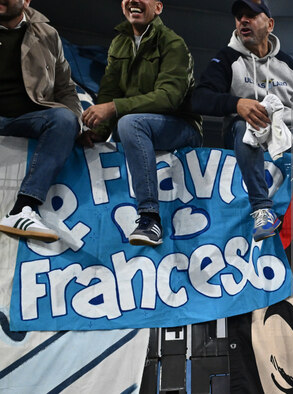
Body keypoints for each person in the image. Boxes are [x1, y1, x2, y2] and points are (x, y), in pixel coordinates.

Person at [191, 0, 293, 242]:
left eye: (251, 15)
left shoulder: (287, 63)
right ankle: (262, 210)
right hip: (243, 132)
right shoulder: (227, 58)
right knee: (243, 125)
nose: (243, 21)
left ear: (270, 24)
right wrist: (236, 104)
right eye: (239, 17)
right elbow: (199, 98)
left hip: (287, 134)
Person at [79, 0, 202, 246]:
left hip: (182, 126)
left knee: (129, 124)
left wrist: (114, 108)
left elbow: (169, 98)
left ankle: (150, 218)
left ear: (158, 7)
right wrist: (98, 132)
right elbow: (109, 90)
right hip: (141, 123)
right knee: (119, 124)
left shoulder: (173, 43)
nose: (133, 1)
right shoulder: (119, 42)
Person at [0, 0, 81, 242]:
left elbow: (65, 88)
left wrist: (78, 125)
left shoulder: (47, 34)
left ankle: (23, 209)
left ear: (26, 1)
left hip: (28, 118)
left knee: (65, 119)